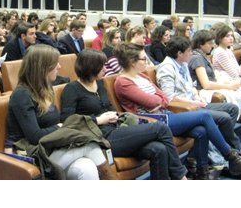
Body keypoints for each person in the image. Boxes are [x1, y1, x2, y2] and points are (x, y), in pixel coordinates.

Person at [113, 43, 241, 179]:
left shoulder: (142, 76)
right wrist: (159, 101)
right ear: (132, 62)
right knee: (204, 116)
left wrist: (159, 101)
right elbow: (152, 102)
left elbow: (164, 97)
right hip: (151, 122)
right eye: (143, 59)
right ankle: (231, 156)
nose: (146, 61)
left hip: (164, 114)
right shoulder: (123, 82)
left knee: (201, 131)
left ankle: (202, 173)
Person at [60, 49, 188, 180]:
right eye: (102, 66)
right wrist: (98, 120)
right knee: (160, 128)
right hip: (100, 138)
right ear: (91, 67)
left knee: (159, 149)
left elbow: (108, 107)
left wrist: (114, 115)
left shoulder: (99, 83)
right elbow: (67, 121)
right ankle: (180, 176)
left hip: (116, 129)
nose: (105, 68)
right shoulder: (72, 89)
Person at [6, 45, 111, 180]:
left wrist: (62, 128)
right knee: (91, 144)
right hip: (33, 153)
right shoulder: (22, 95)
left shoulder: (45, 88)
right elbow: (34, 136)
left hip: (53, 147)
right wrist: (61, 127)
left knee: (87, 167)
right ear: (43, 67)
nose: (59, 66)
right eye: (55, 63)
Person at [156, 36, 241, 151]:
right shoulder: (166, 68)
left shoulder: (183, 64)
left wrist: (197, 96)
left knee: (232, 108)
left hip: (194, 101)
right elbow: (170, 98)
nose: (191, 54)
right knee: (224, 117)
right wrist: (193, 102)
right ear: (179, 53)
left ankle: (221, 147)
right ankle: (233, 150)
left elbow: (191, 86)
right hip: (184, 108)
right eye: (189, 51)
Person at [189, 30, 241, 123]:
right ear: (201, 44)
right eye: (209, 43)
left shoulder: (201, 56)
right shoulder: (197, 58)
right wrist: (230, 86)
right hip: (209, 93)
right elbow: (206, 84)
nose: (212, 45)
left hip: (216, 89)